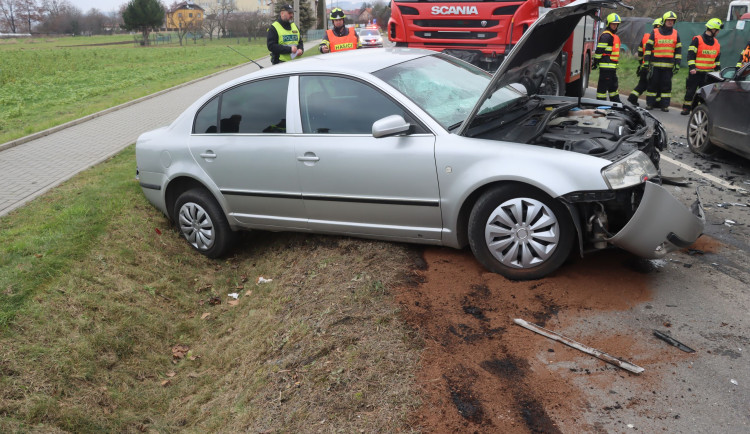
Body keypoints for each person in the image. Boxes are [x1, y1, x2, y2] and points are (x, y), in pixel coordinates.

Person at [681, 19, 723, 115]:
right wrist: (692, 67)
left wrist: (718, 71)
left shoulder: (716, 43)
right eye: (717, 30)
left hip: (708, 74)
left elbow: (716, 58)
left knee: (705, 94)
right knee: (691, 91)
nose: (718, 32)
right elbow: (691, 55)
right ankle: (686, 108)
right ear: (712, 29)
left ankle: (699, 110)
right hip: (696, 72)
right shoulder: (697, 39)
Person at [644, 11, 682, 111]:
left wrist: (677, 64)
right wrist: (646, 61)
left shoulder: (676, 33)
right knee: (653, 85)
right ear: (664, 21)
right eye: (668, 20)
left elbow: (678, 50)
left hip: (668, 66)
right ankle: (650, 104)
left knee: (666, 86)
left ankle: (664, 105)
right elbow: (648, 47)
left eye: (672, 21)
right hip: (655, 65)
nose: (670, 22)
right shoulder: (655, 32)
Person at [628, 18, 662, 106]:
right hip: (653, 66)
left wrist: (641, 63)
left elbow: (640, 51)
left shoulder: (646, 36)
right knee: (651, 84)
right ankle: (652, 102)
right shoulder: (658, 37)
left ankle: (633, 97)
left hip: (644, 65)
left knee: (643, 83)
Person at [593, 13, 622, 102]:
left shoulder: (612, 36)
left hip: (612, 68)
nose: (615, 26)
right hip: (606, 67)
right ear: (608, 24)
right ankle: (601, 105)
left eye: (616, 24)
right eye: (613, 24)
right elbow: (599, 50)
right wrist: (596, 61)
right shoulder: (606, 36)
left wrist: (596, 61)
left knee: (613, 87)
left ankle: (616, 104)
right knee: (603, 88)